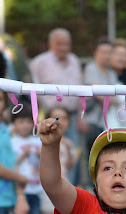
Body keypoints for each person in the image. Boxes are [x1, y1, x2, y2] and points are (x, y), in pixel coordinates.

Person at [30, 28, 86, 184]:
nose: (64, 48)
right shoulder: (39, 63)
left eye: (66, 44)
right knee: (50, 152)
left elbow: (80, 89)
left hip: (73, 117)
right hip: (50, 117)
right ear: (51, 44)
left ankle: (72, 192)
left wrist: (82, 115)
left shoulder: (74, 60)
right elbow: (31, 90)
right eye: (59, 44)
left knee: (72, 155)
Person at [32, 106, 74, 214]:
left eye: (64, 118)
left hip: (63, 183)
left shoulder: (68, 143)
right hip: (48, 186)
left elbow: (69, 165)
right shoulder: (45, 139)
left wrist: (70, 152)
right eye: (56, 117)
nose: (60, 121)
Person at [9, 105, 43, 214]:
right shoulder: (12, 142)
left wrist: (39, 154)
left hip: (36, 189)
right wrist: (23, 155)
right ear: (14, 124)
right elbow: (11, 165)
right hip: (21, 190)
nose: (24, 125)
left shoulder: (37, 141)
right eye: (20, 122)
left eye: (28, 122)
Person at [83, 38, 120, 158]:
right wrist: (110, 98)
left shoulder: (111, 72)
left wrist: (108, 98)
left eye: (109, 52)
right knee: (92, 159)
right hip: (91, 122)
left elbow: (115, 99)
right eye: (103, 52)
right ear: (95, 53)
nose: (106, 56)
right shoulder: (91, 68)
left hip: (107, 123)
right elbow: (99, 95)